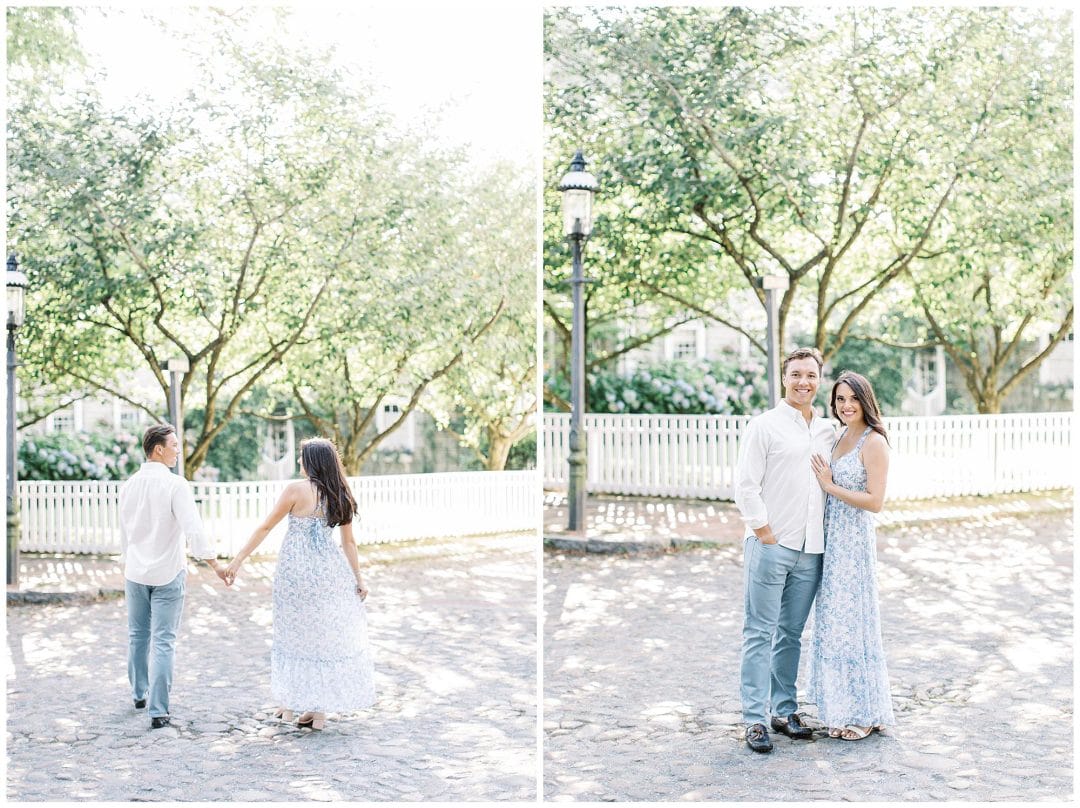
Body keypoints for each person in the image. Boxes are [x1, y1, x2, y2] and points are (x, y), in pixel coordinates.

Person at [224, 437, 375, 730]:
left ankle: (291, 704)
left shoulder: (295, 490)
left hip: (296, 575)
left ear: (312, 461)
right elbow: (349, 543)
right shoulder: (340, 492)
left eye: (301, 457)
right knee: (321, 637)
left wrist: (238, 559)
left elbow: (266, 526)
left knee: (294, 634)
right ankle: (316, 713)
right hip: (328, 574)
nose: (298, 462)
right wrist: (359, 578)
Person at [735, 347, 837, 753]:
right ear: (784, 378)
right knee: (759, 632)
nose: (803, 382)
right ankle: (754, 719)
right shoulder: (765, 426)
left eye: (810, 375)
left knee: (791, 635)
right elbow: (745, 485)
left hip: (812, 550)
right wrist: (765, 534)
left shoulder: (828, 430)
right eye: (796, 374)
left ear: (819, 379)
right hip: (771, 545)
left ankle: (784, 710)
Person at [119, 423, 228, 729]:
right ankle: (157, 710)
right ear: (159, 449)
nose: (179, 451)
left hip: (136, 572)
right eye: (175, 446)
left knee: (137, 636)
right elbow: (194, 530)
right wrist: (215, 565)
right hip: (168, 572)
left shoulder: (129, 485)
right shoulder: (175, 485)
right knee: (164, 640)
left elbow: (124, 533)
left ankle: (138, 693)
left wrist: (128, 564)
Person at [809, 371, 895, 740]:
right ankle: (841, 707)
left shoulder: (874, 442)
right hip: (832, 540)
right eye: (840, 399)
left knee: (853, 624)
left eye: (853, 399)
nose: (846, 406)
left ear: (866, 400)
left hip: (854, 544)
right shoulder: (840, 434)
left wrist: (830, 486)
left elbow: (875, 502)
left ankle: (863, 712)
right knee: (834, 624)